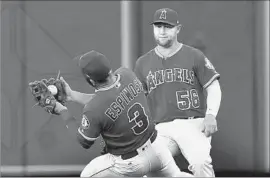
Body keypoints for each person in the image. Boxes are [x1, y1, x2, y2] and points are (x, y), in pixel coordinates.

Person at [54, 50, 193, 177]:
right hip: (157, 149)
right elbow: (105, 101)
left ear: (90, 80)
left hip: (130, 164)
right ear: (109, 69)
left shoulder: (94, 108)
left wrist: (62, 110)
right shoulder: (127, 75)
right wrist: (72, 95)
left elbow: (84, 141)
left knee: (87, 175)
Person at [134, 8, 222, 177]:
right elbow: (137, 100)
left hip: (193, 124)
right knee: (148, 163)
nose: (162, 31)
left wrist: (211, 114)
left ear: (178, 29)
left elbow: (213, 87)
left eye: (167, 26)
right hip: (161, 128)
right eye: (158, 26)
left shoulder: (194, 55)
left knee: (200, 164)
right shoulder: (142, 63)